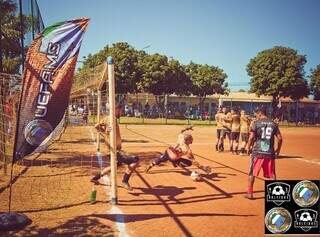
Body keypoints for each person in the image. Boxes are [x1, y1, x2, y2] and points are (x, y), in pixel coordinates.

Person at [90, 104, 139, 191]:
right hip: (113, 150)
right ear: (116, 110)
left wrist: (104, 131)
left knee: (115, 165)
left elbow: (96, 125)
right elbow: (97, 126)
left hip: (113, 149)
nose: (122, 112)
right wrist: (105, 131)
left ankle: (96, 177)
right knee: (135, 160)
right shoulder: (111, 119)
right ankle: (125, 181)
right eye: (121, 110)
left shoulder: (109, 118)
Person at [245, 105, 283, 199]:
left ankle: (250, 193)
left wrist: (248, 147)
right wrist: (278, 150)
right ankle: (275, 194)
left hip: (257, 152)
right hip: (270, 153)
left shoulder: (256, 123)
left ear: (260, 113)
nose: (256, 115)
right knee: (272, 174)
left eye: (256, 114)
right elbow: (280, 139)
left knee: (252, 173)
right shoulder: (273, 123)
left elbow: (251, 137)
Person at [145, 126, 211, 174]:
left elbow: (181, 131)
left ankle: (150, 165)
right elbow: (194, 162)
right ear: (187, 140)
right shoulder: (187, 149)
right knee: (189, 163)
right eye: (191, 139)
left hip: (168, 152)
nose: (192, 140)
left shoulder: (181, 138)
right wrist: (203, 168)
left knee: (160, 159)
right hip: (174, 158)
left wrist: (187, 128)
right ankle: (177, 163)